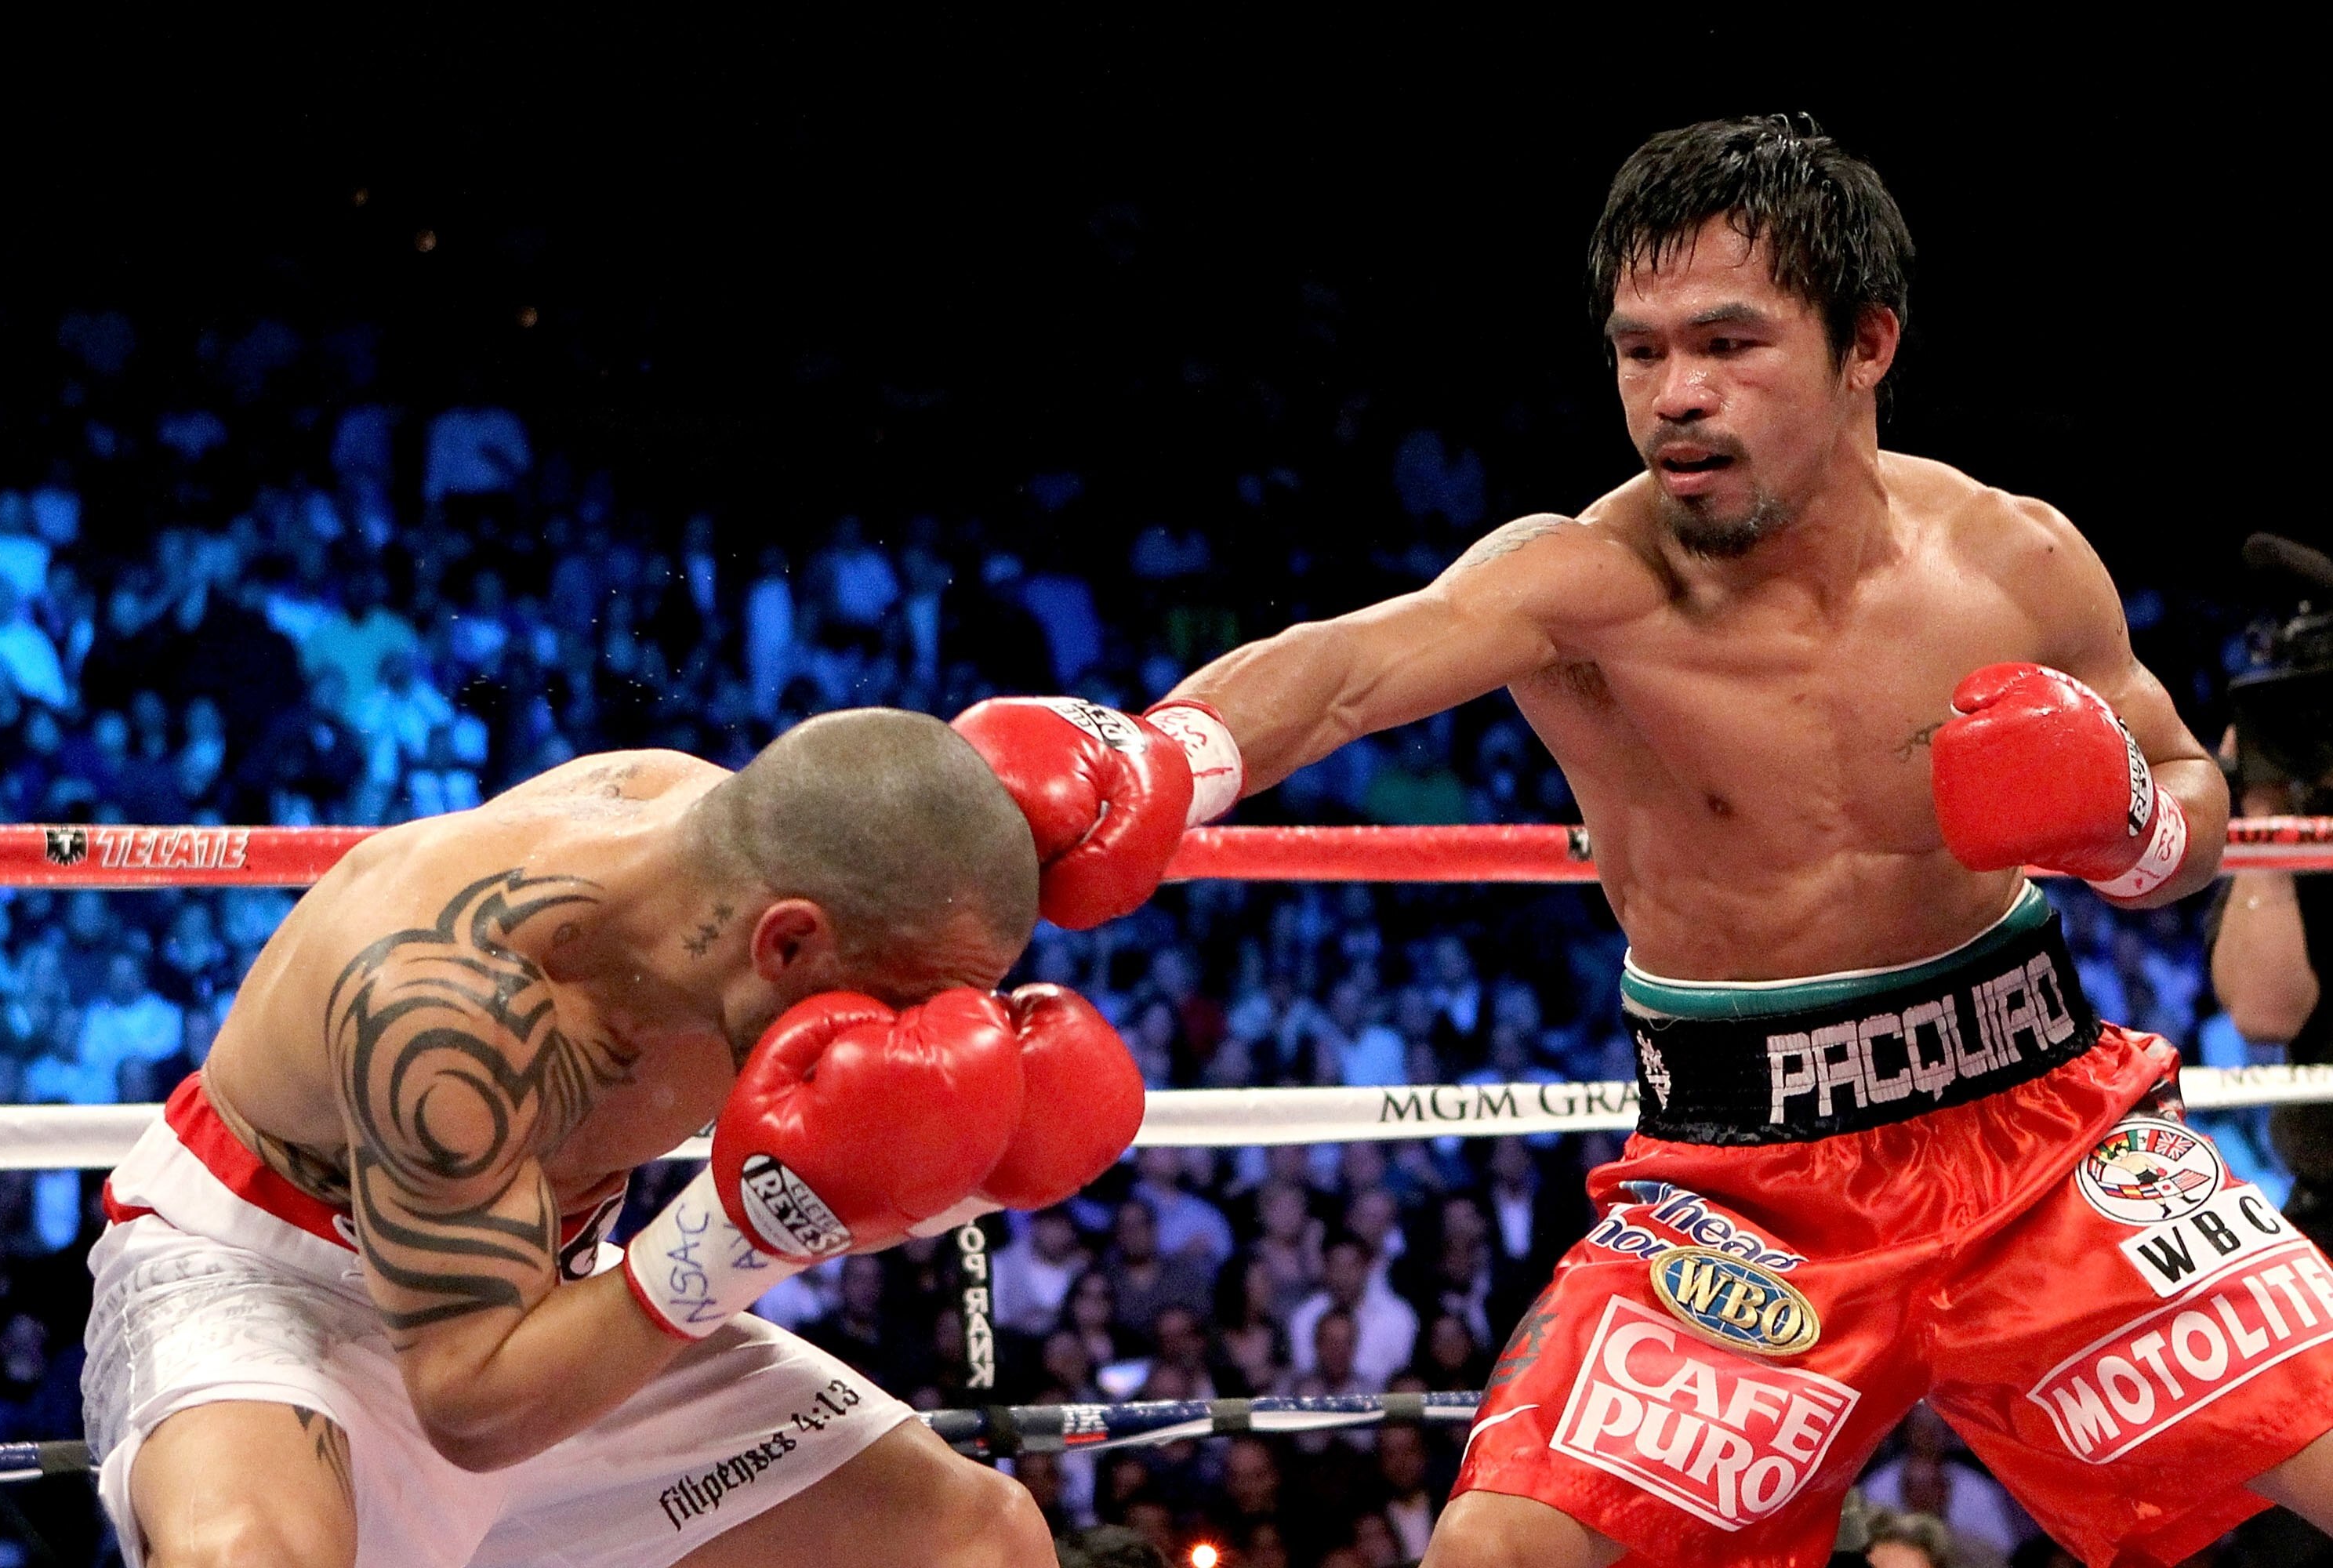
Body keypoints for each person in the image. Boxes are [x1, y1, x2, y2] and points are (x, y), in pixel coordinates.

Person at [951, 116, 2333, 1565]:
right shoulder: (1583, 582)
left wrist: (2122, 822)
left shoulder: (2016, 559)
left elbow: (2192, 805)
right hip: (1744, 1185)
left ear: (1867, 343)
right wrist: (1163, 751)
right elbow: (1354, 666)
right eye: (1641, 349)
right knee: (1494, 1552)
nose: (1677, 395)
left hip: (2045, 1130)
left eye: (1730, 344)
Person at [82, 708, 1146, 1568]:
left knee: (979, 1542)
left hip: (541, 1294)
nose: (909, 1045)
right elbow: (475, 1407)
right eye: (903, 1006)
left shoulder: (787, 862)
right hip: (275, 1284)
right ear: (786, 943)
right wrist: (756, 1229)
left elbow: (1278, 704)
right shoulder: (448, 1011)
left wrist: (1185, 750)